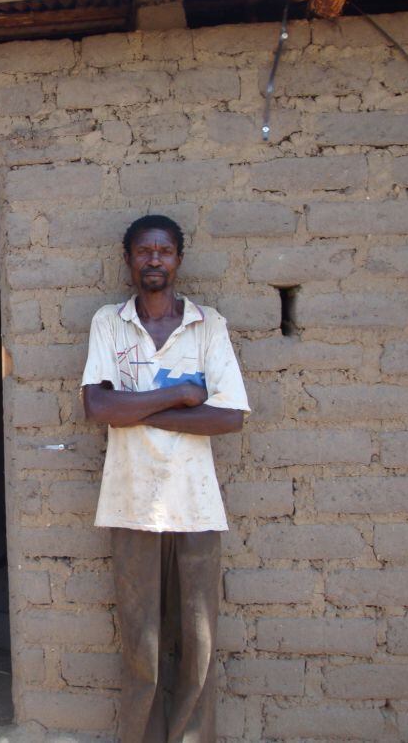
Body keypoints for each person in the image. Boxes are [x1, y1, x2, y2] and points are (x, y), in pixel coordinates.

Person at [81, 214, 248, 743]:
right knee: (142, 644)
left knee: (197, 642)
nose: (154, 259)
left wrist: (136, 410)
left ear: (179, 258)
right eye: (144, 251)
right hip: (131, 504)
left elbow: (228, 417)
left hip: (195, 507)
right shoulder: (110, 322)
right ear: (128, 258)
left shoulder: (208, 325)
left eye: (164, 251)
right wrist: (178, 395)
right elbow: (97, 405)